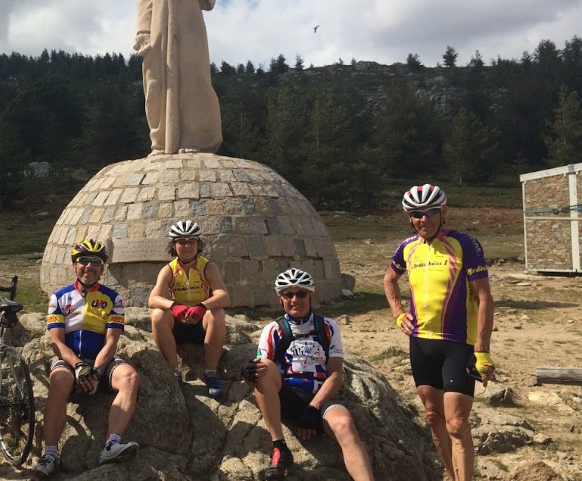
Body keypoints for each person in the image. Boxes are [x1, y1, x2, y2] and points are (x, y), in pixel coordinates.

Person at [382, 184, 496, 481]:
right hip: (420, 343)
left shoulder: (465, 244)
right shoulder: (408, 247)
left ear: (443, 212)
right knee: (434, 419)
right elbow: (389, 280)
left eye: (431, 212)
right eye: (416, 214)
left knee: (456, 423)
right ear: (409, 216)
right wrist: (397, 314)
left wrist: (482, 350)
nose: (424, 219)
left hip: (459, 344)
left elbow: (484, 297)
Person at [243, 268, 374, 481]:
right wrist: (247, 373)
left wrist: (313, 408)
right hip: (287, 396)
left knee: (345, 425)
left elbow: (335, 374)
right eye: (288, 294)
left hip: (319, 399)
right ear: (280, 298)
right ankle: (279, 447)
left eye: (301, 294)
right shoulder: (273, 329)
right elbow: (260, 368)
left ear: (310, 295)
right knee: (263, 366)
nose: (295, 299)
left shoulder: (328, 327)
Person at [34, 239, 141, 477]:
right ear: (74, 266)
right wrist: (79, 366)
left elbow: (112, 341)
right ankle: (50, 452)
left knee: (130, 377)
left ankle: (111, 444)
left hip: (101, 360)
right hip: (71, 359)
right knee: (59, 381)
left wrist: (97, 372)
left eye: (96, 262)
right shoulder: (59, 297)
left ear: (102, 269)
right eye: (83, 261)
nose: (89, 267)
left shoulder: (114, 298)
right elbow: (57, 342)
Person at [134, 0, 222, 154]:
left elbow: (207, 0)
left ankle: (194, 137)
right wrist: (142, 31)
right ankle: (159, 141)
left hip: (189, 25)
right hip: (157, 30)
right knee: (155, 82)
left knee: (193, 78)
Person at [148, 220, 229, 398]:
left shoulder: (208, 267)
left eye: (191, 241)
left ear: (198, 244)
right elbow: (153, 299)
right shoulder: (169, 269)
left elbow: (224, 296)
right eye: (181, 242)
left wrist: (202, 306)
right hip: (179, 325)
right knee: (158, 316)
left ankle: (211, 372)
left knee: (218, 314)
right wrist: (174, 306)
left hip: (201, 326)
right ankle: (174, 370)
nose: (186, 246)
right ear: (174, 245)